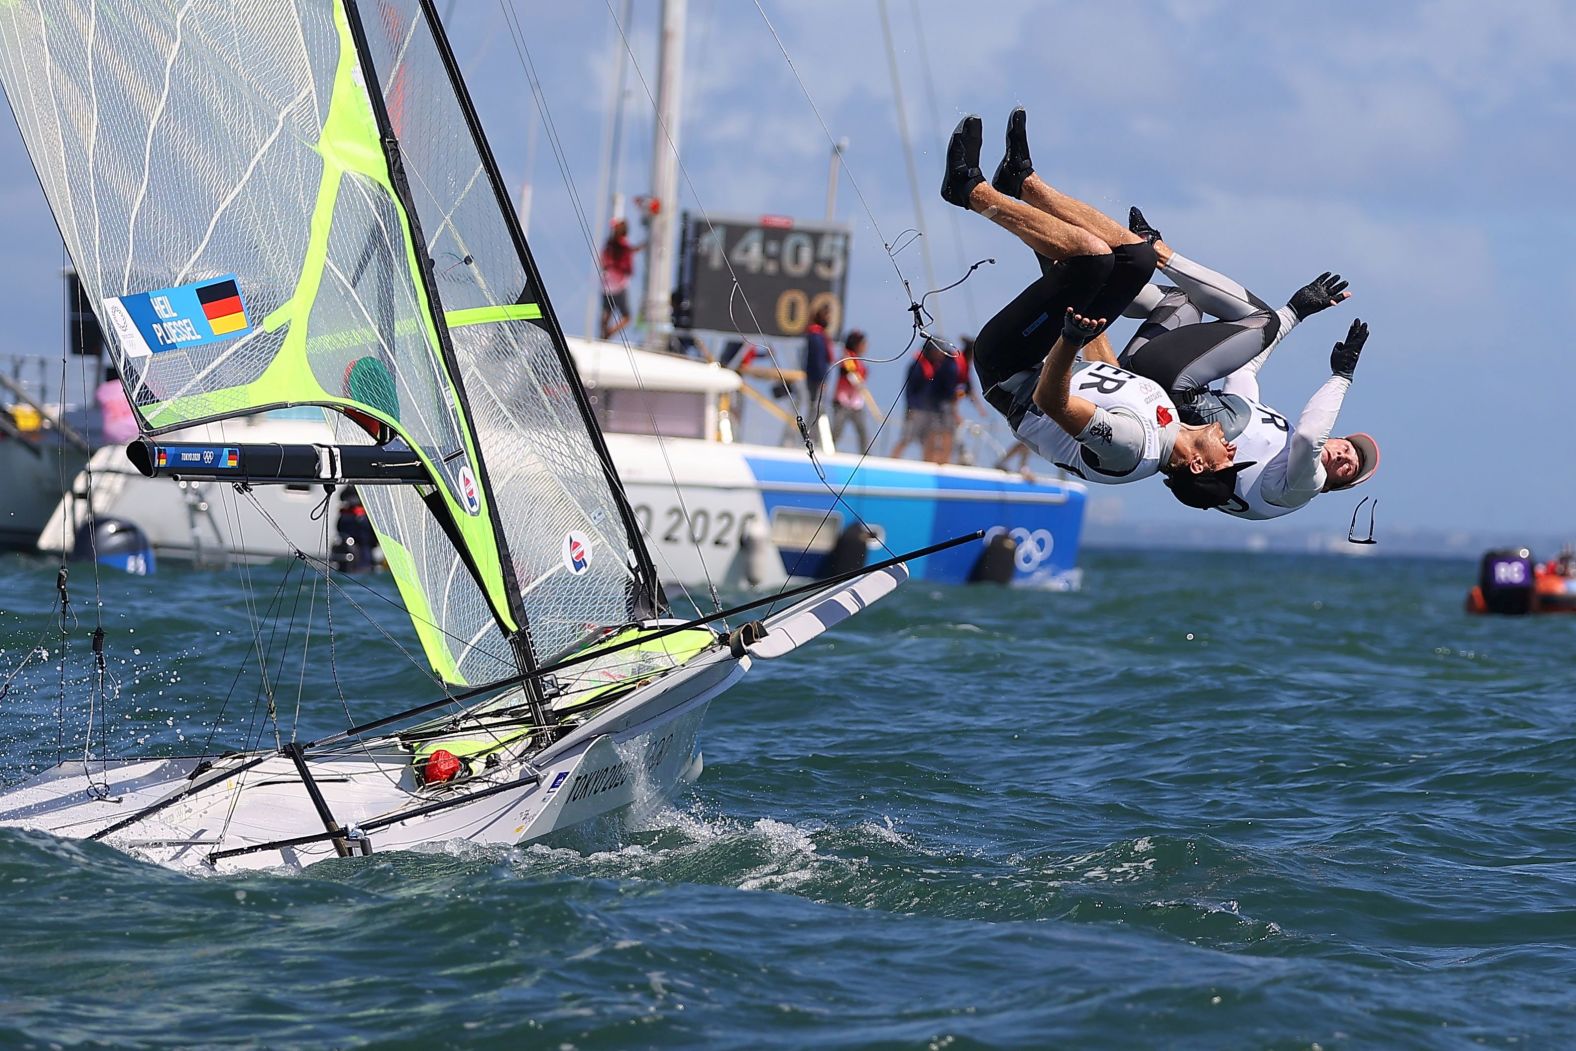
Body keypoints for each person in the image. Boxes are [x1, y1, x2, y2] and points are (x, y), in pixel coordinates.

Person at [942, 111, 1233, 486]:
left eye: (1228, 463)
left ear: (1197, 466)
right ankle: (1023, 182)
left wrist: (1071, 336)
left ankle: (968, 189)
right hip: (1054, 346)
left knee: (1094, 258)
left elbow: (1051, 403)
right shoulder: (1168, 422)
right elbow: (1105, 369)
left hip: (1009, 372)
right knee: (1137, 258)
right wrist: (1072, 287)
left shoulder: (1132, 449)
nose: (1233, 451)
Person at [1115, 209, 1380, 515]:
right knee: (1181, 301)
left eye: (1349, 468)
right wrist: (1298, 313)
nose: (1346, 458)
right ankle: (1102, 284)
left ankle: (1156, 250)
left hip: (1169, 391)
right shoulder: (1274, 447)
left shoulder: (1303, 487)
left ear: (1333, 486)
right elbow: (1243, 369)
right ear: (1335, 438)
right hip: (1144, 390)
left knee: (1261, 320)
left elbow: (1310, 437)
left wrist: (1341, 375)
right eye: (1348, 449)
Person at [891, 338, 957, 461]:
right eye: (938, 352)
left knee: (929, 438)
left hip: (929, 410)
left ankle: (928, 462)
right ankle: (893, 460)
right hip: (916, 410)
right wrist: (911, 409)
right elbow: (910, 389)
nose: (940, 355)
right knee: (907, 437)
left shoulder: (936, 367)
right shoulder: (917, 366)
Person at [599, 218, 642, 339]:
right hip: (618, 285)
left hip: (606, 284)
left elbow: (603, 261)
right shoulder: (623, 246)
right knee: (627, 317)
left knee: (607, 313)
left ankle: (603, 335)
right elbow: (628, 269)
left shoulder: (609, 245)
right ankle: (608, 334)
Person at [831, 329, 872, 453]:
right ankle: (828, 449)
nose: (865, 346)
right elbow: (851, 375)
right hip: (842, 401)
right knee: (837, 430)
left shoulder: (859, 360)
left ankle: (865, 454)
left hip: (856, 403)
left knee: (863, 431)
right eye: (863, 343)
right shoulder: (847, 357)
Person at [801, 303, 835, 434]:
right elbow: (818, 359)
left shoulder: (817, 335)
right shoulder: (816, 336)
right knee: (815, 407)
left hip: (816, 376)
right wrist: (822, 379)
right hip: (816, 378)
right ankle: (808, 435)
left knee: (816, 407)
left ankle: (811, 434)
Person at [96, 364, 138, 444]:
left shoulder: (101, 390)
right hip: (134, 431)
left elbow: (99, 404)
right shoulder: (129, 386)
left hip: (111, 434)